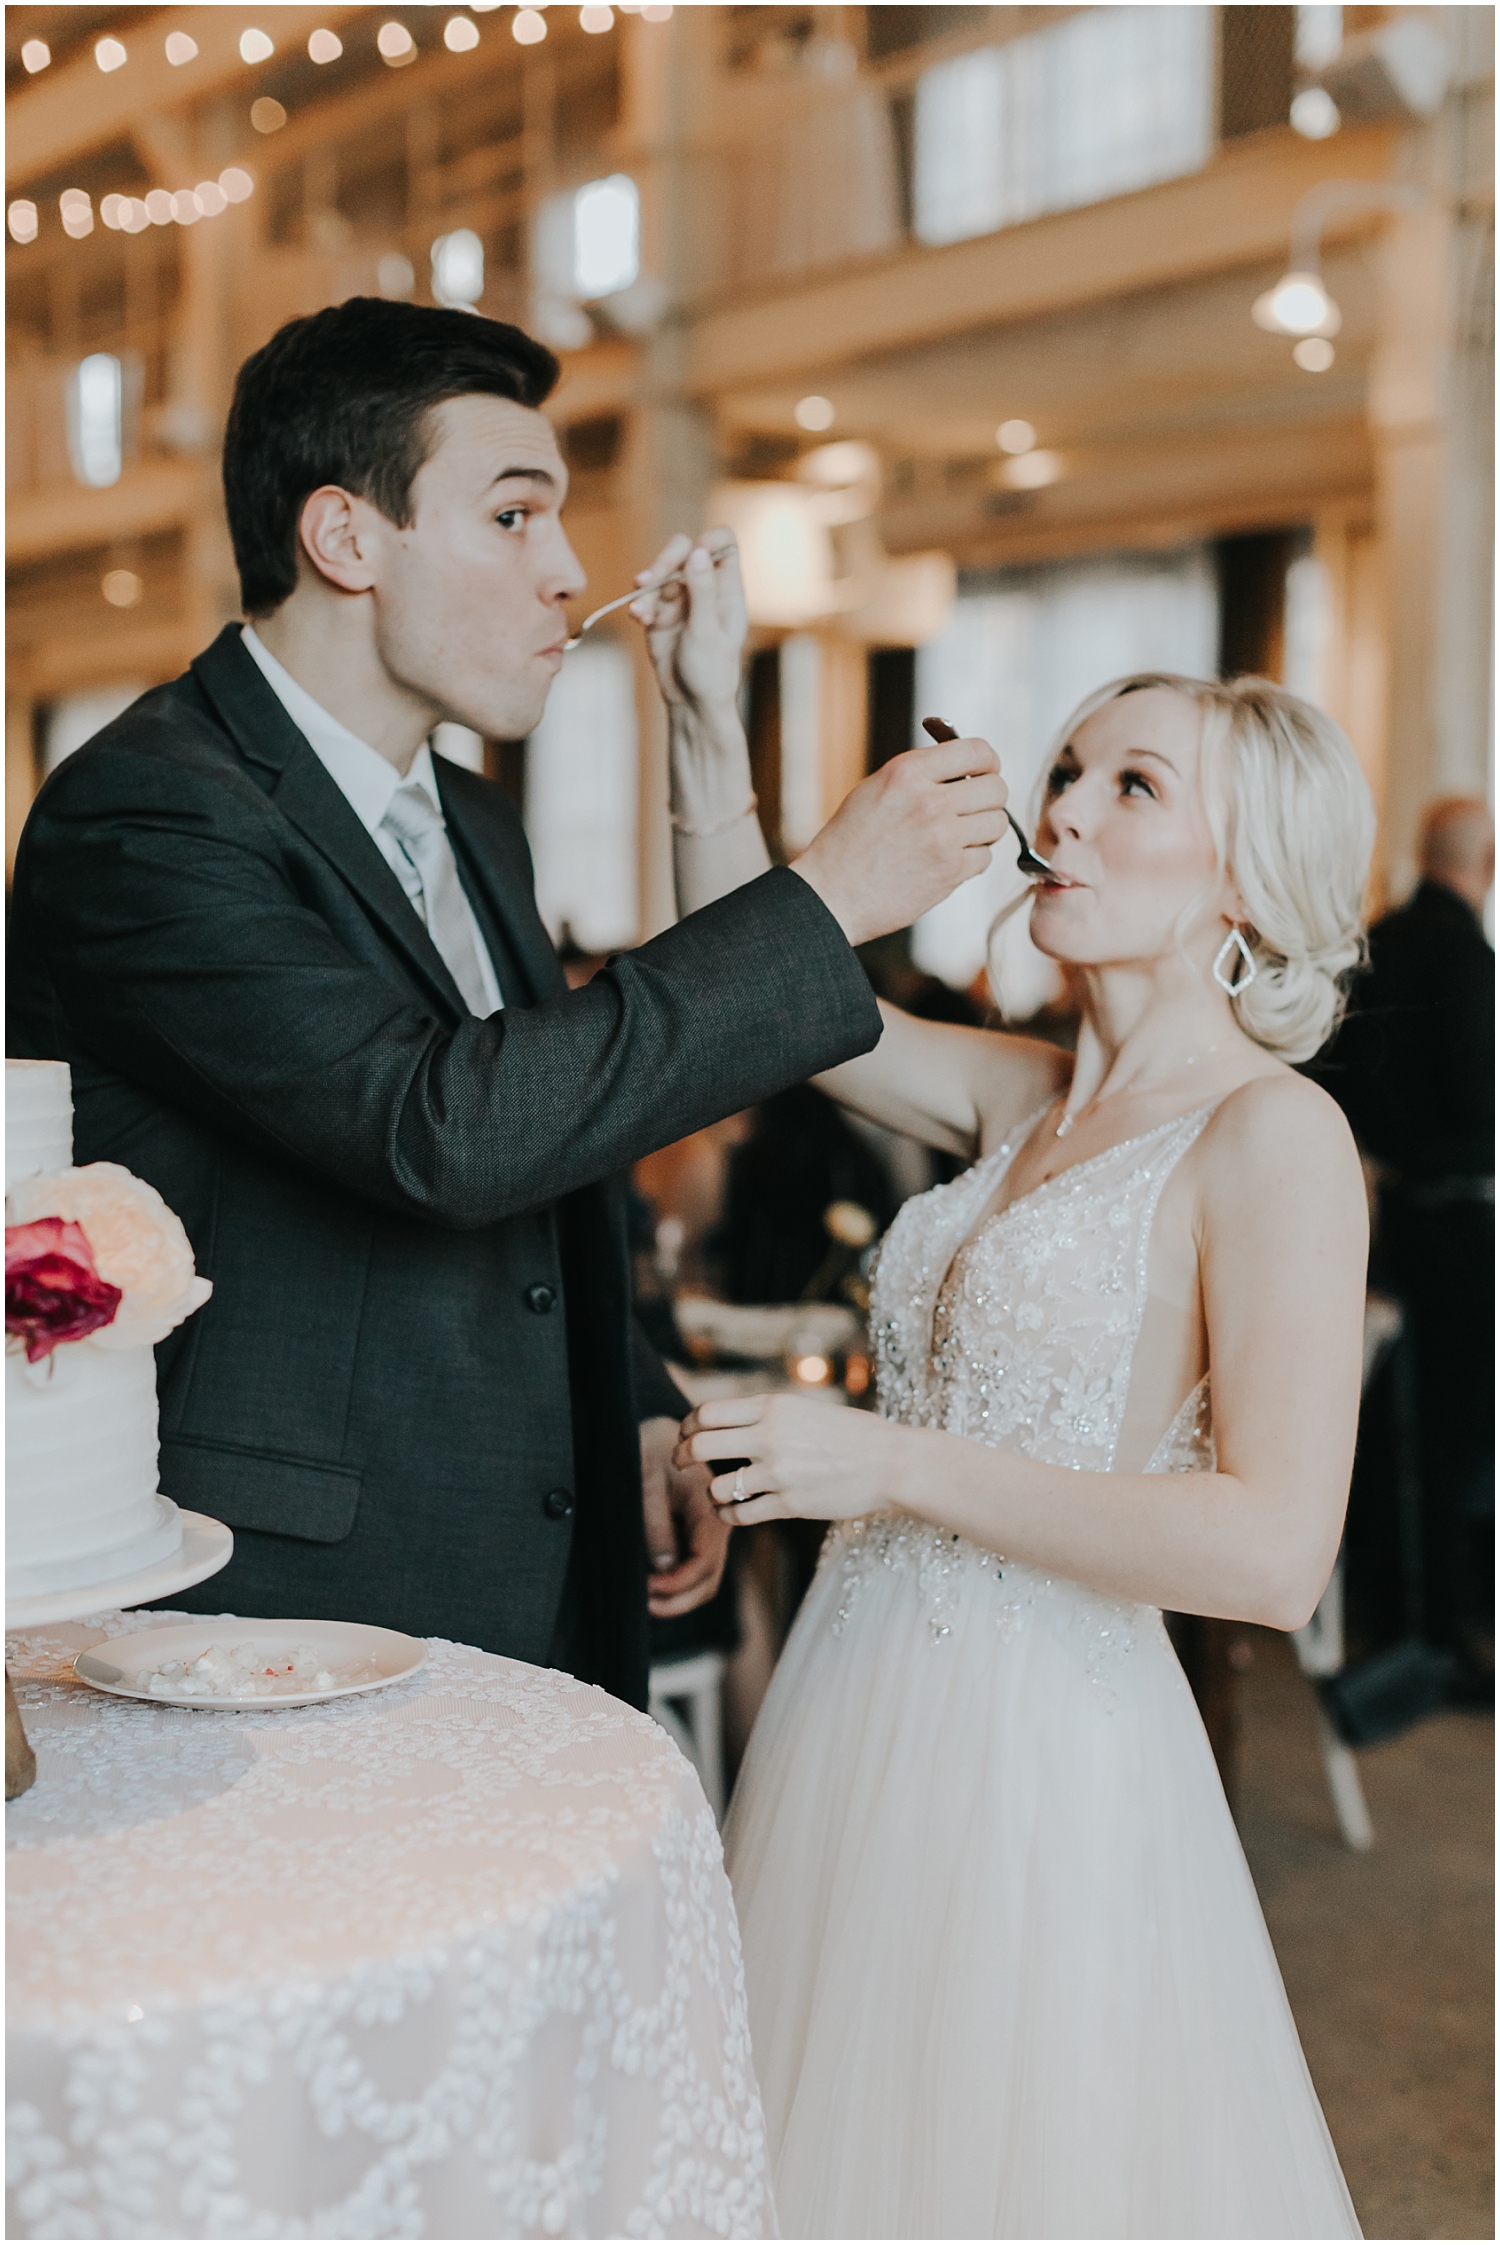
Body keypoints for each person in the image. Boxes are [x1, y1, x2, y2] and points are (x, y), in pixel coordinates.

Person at [5, 298, 1010, 1710]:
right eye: (516, 517)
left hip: (537, 1540)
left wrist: (644, 1404)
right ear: (346, 538)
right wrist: (827, 894)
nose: (570, 572)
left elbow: (562, 1154)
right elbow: (442, 1129)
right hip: (285, 1596)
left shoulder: (475, 819)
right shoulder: (150, 813)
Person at [642, 543, 1371, 2236]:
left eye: (1137, 784)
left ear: (1245, 879)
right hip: (853, 1700)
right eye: (1067, 771)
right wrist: (696, 710)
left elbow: (1272, 1555)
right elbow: (756, 990)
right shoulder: (1017, 1098)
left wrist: (886, 1464)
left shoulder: (1274, 1137)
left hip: (1050, 1747)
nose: (1071, 807)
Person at [1320, 796, 1494, 1692]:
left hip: (1393, 1210)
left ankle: (1396, 1609)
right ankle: (1440, 1630)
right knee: (1456, 1429)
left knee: (1399, 1421)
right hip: (1460, 1224)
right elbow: (1479, 1094)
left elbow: (1336, 1072)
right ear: (1488, 861)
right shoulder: (1466, 952)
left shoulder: (1378, 940)